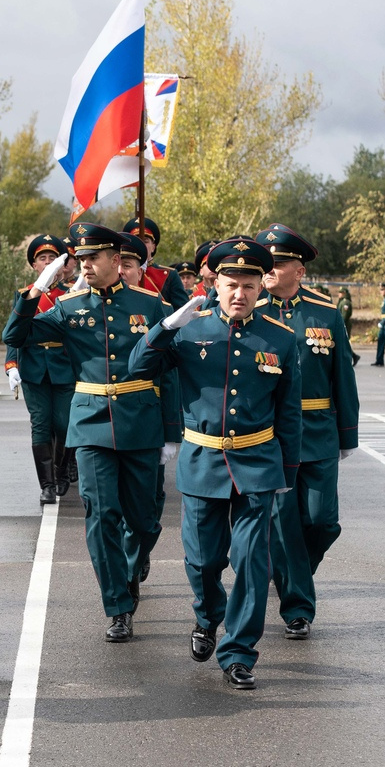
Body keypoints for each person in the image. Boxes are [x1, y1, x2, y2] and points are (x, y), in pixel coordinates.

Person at [129, 237, 301, 690]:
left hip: (258, 462)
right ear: (214, 283)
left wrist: (288, 473)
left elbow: (289, 411)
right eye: (231, 284)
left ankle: (239, 651)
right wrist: (165, 326)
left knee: (250, 561)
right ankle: (208, 616)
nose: (239, 293)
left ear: (261, 286)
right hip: (203, 459)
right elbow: (136, 367)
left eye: (249, 284)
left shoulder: (281, 339)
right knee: (203, 561)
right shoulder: (190, 330)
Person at [3, 223, 170, 642]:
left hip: (140, 421)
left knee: (145, 522)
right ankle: (117, 605)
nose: (86, 265)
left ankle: (130, 573)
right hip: (91, 422)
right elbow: (14, 336)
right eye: (82, 258)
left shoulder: (150, 305)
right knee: (101, 515)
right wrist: (33, 291)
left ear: (117, 260)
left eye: (94, 257)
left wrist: (173, 431)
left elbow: (172, 369)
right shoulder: (69, 306)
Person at [255, 224, 359, 641]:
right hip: (272, 434)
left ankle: (290, 573)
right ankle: (298, 607)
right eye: (267, 263)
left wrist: (347, 434)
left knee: (322, 522)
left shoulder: (325, 314)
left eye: (277, 264)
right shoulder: (253, 312)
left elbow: (342, 380)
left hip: (317, 431)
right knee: (283, 524)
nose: (268, 271)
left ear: (298, 269)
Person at [116, 231, 179, 585]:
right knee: (112, 509)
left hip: (147, 421)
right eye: (118, 263)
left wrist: (170, 433)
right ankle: (124, 582)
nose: (122, 270)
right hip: (108, 422)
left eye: (129, 264)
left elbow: (170, 378)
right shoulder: (90, 307)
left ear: (142, 269)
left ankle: (139, 552)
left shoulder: (159, 311)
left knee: (148, 510)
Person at [5, 235, 76, 505]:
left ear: (60, 265)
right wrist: (11, 364)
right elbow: (15, 333)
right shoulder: (25, 294)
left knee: (64, 424)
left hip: (64, 366)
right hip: (33, 366)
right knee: (41, 425)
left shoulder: (72, 293)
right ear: (34, 265)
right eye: (42, 259)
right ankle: (46, 485)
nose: (47, 263)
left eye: (52, 259)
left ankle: (61, 473)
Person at [123, 216, 190, 307]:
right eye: (137, 241)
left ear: (153, 247)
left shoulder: (170, 275)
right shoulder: (119, 273)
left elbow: (182, 310)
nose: (141, 245)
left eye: (145, 241)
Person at [336, 286, 359, 365]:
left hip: (344, 324)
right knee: (342, 342)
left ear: (344, 293)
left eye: (341, 293)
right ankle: (353, 356)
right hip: (342, 323)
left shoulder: (345, 302)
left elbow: (345, 316)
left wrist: (340, 324)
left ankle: (353, 356)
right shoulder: (342, 301)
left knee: (344, 342)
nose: (339, 294)